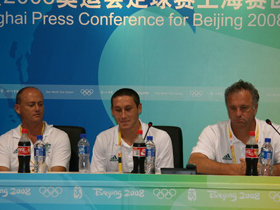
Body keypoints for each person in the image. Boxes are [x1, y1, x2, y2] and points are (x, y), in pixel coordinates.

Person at [189, 80, 280, 175]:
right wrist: (236, 170)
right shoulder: (213, 132)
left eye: (244, 108)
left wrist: (267, 169)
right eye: (232, 108)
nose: (238, 113)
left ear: (255, 107)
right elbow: (195, 162)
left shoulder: (274, 132)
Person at [91, 88, 174, 173]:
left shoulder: (161, 138)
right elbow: (96, 177)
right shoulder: (103, 139)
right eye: (118, 110)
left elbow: (165, 179)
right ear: (112, 111)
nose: (123, 116)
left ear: (139, 108)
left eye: (128, 109)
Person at [0, 87, 71, 172]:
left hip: (48, 185)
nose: (37, 109)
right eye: (31, 105)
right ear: (17, 109)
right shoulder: (5, 140)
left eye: (40, 104)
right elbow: (3, 177)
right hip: (16, 185)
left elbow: (57, 176)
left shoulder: (59, 136)